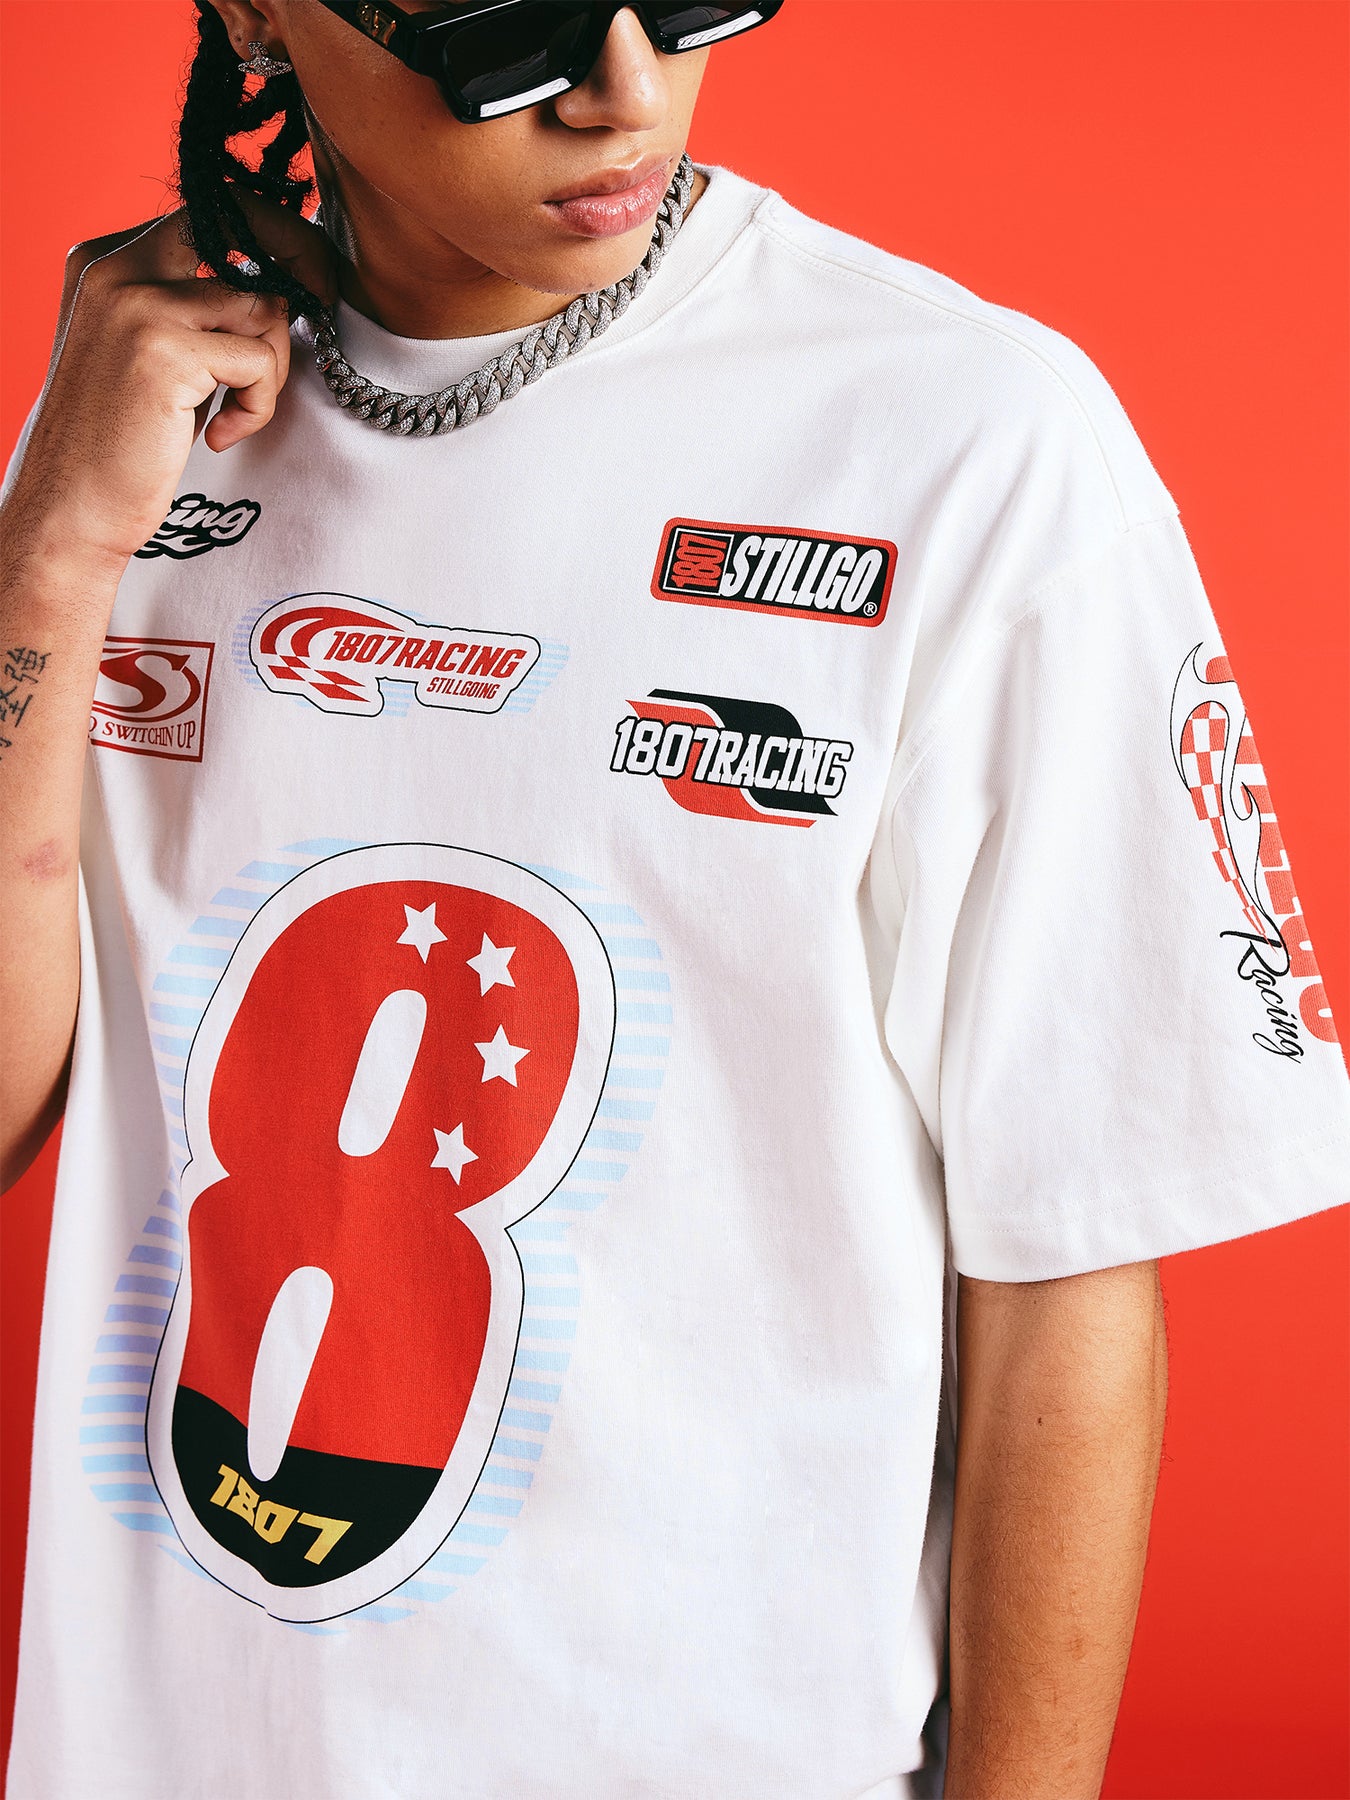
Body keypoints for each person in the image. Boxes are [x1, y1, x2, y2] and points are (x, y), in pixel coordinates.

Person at [1, 1, 1346, 1794]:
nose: (625, 90)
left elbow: (1065, 1262)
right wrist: (53, 549)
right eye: (510, 16)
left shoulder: (961, 439)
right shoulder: (140, 418)